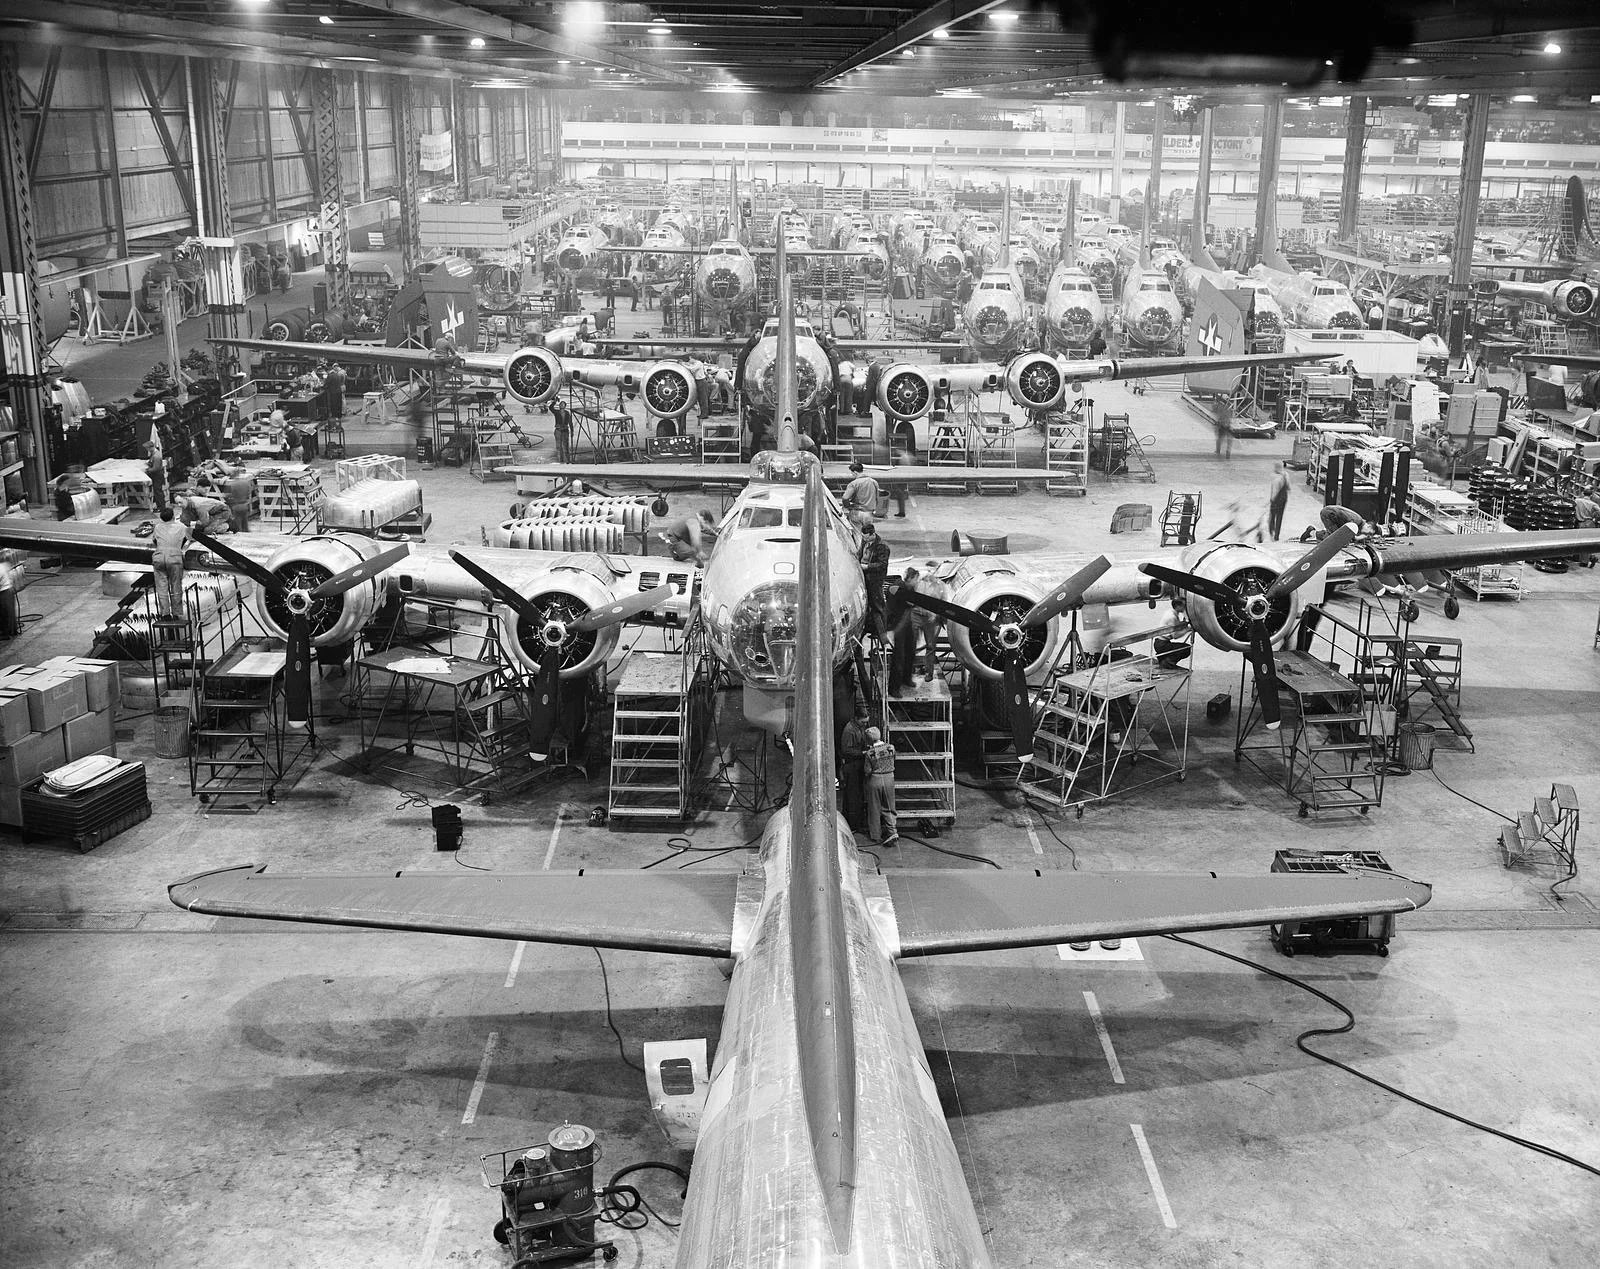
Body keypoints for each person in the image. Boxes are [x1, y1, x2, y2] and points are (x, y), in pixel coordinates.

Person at [863, 726, 898, 848]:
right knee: (889, 807)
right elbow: (894, 759)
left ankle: (876, 835)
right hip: (889, 779)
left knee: (874, 808)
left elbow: (867, 771)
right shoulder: (891, 748)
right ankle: (892, 832)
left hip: (875, 780)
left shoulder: (869, 753)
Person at [150, 506, 189, 617]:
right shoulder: (182, 527)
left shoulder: (157, 527)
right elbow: (190, 538)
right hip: (174, 558)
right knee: (175, 586)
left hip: (159, 557)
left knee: (161, 587)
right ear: (173, 516)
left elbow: (154, 541)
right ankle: (177, 613)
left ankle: (165, 614)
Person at [911, 563, 949, 679]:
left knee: (931, 646)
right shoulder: (919, 582)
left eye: (932, 571)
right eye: (928, 570)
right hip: (917, 614)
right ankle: (909, 668)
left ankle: (929, 672)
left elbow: (943, 603)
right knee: (911, 642)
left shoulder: (941, 586)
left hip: (931, 619)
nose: (929, 573)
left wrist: (936, 614)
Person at [886, 567, 919, 694]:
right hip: (897, 625)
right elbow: (892, 600)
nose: (917, 582)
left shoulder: (910, 588)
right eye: (916, 579)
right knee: (899, 657)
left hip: (908, 624)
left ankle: (907, 678)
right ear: (910, 578)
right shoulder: (898, 588)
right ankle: (894, 688)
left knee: (911, 651)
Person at [839, 709, 870, 831]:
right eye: (863, 722)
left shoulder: (859, 727)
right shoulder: (849, 730)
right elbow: (846, 751)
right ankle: (852, 825)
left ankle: (853, 820)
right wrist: (863, 752)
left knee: (856, 794)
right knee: (853, 796)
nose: (865, 725)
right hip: (851, 765)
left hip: (857, 764)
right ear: (856, 719)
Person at [858, 523, 891, 638]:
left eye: (866, 537)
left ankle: (881, 631)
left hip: (875, 579)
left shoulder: (882, 547)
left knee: (878, 605)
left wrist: (867, 567)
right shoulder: (865, 542)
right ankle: (871, 626)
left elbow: (882, 565)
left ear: (872, 534)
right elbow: (860, 553)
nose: (864, 539)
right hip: (865, 576)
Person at [841, 461, 880, 529]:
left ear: (855, 472)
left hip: (856, 512)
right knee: (867, 535)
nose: (852, 475)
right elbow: (877, 497)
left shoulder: (854, 483)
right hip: (869, 513)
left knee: (857, 535)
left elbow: (845, 498)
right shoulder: (874, 482)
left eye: (852, 473)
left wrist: (848, 506)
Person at [223, 465, 254, 534]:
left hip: (236, 505)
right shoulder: (245, 483)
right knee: (245, 522)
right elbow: (249, 492)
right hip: (245, 505)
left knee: (238, 524)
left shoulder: (232, 485)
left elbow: (227, 495)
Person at [1266, 461, 1291, 541]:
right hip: (1284, 499)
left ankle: (1271, 531)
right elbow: (1288, 487)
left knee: (1272, 516)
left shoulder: (1275, 477)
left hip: (1276, 500)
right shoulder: (1286, 475)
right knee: (1279, 517)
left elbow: (1275, 491)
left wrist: (1272, 500)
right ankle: (1277, 536)